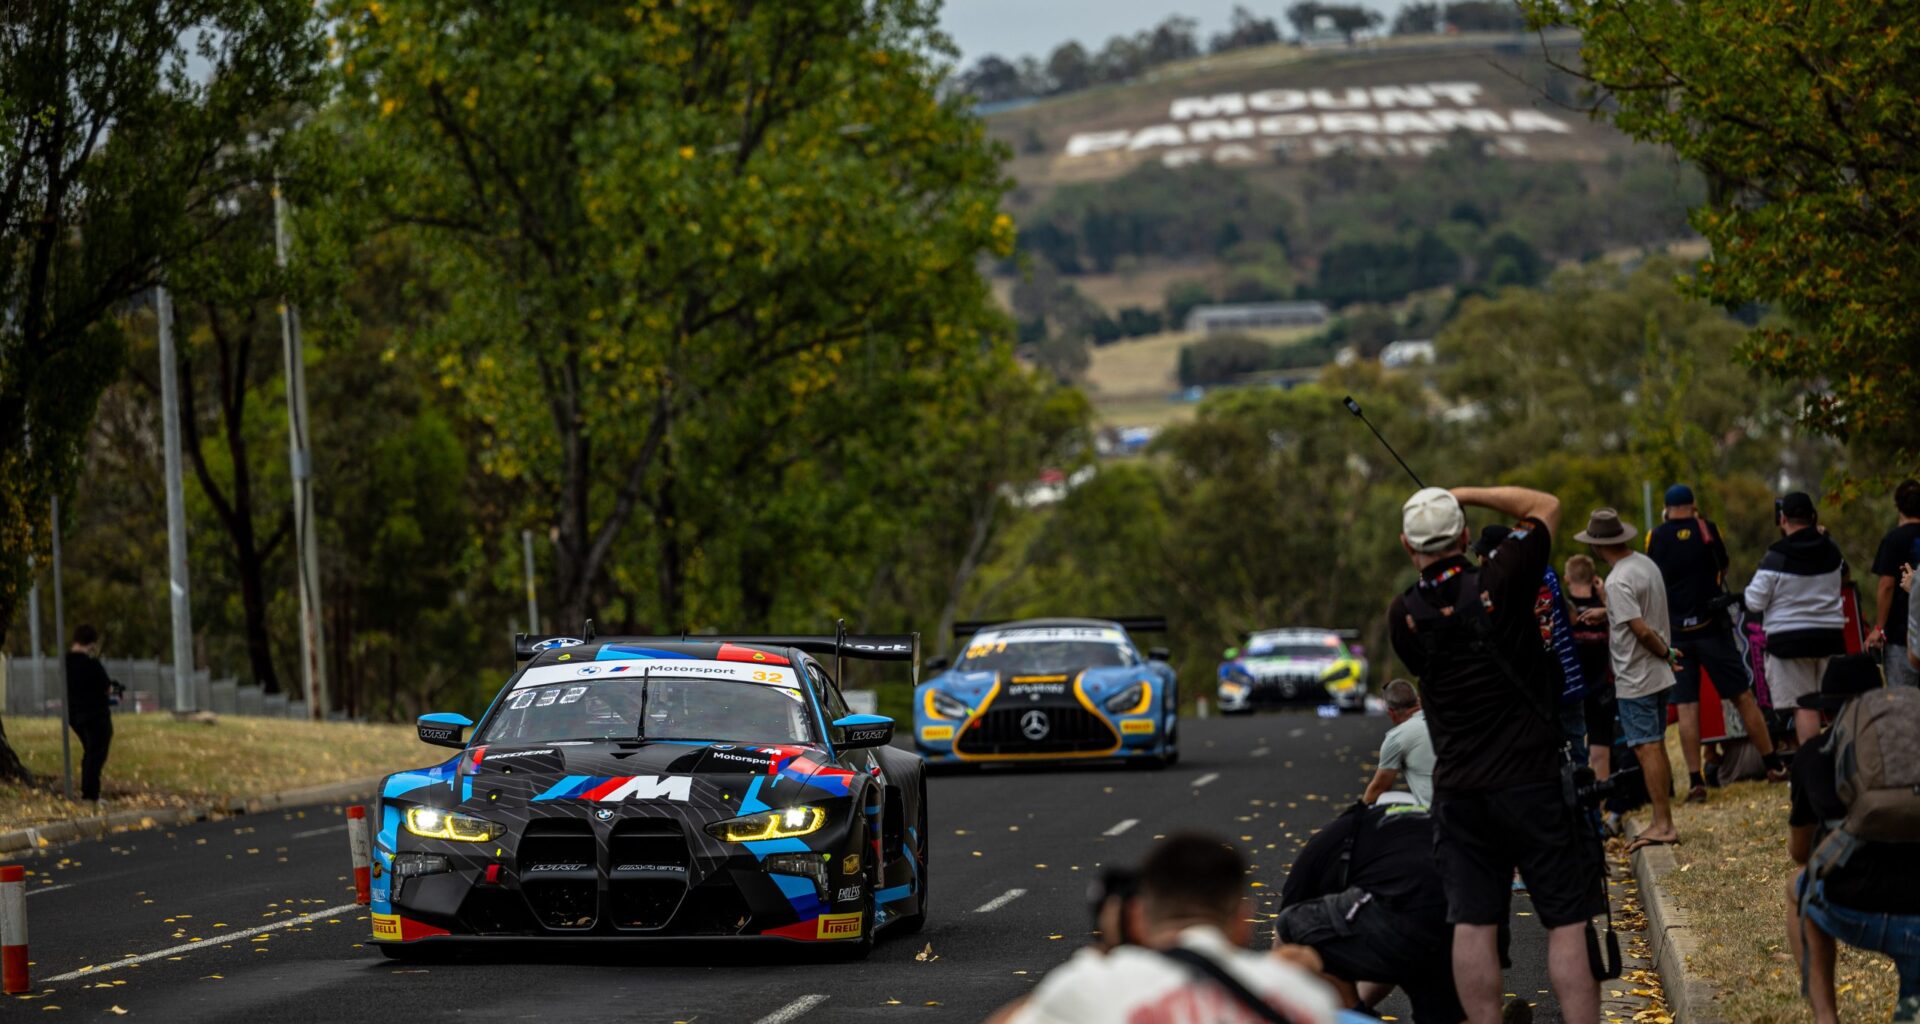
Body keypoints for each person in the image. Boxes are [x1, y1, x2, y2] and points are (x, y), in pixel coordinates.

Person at [1388, 485, 1603, 1024]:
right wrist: (1463, 492)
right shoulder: (1502, 580)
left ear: (1408, 547)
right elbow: (1547, 506)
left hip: (1460, 790)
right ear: (1464, 535)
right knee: (1564, 920)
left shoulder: (1405, 616)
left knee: (1473, 922)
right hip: (1531, 779)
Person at [997, 832, 1341, 1024]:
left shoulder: (1089, 986)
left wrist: (1109, 948)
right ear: (1242, 920)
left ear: (1136, 917)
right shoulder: (1301, 997)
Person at [1785, 657, 1920, 1024]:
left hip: (1854, 907)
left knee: (1799, 887)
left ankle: (1826, 1017)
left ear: (1826, 713)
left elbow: (1800, 852)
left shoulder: (1812, 755)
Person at [1645, 484, 1786, 801]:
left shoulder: (1655, 537)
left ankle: (1695, 782)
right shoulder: (1707, 529)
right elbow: (1723, 565)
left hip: (1677, 634)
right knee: (1742, 697)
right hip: (1712, 628)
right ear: (1693, 506)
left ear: (1667, 509)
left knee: (1687, 707)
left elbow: (1653, 577)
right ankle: (1773, 764)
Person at [1277, 801, 1464, 1023]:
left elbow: (1286, 938)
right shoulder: (1419, 829)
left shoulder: (1331, 838)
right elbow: (1390, 960)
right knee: (1441, 1009)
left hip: (1408, 909)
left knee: (1292, 925)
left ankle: (1353, 1017)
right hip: (1466, 916)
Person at [1578, 509, 1680, 854]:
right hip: (1657, 676)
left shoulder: (1617, 580)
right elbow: (1638, 611)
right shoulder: (1644, 564)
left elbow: (1640, 629)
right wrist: (1606, 612)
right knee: (1656, 744)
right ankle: (1662, 818)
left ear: (1597, 545)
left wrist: (1665, 652)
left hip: (1638, 676)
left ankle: (1663, 824)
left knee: (1646, 747)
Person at [1475, 525, 1588, 764]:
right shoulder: (1542, 571)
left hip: (1551, 684)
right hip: (1564, 678)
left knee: (1565, 755)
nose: (1480, 561)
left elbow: (1542, 635)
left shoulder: (1528, 579)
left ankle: (1579, 799)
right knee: (1573, 749)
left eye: (1483, 555)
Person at [1745, 492, 1849, 745]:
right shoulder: (1832, 552)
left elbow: (1754, 601)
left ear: (1783, 519)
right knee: (1836, 704)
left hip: (1789, 643)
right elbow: (1844, 578)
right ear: (1813, 517)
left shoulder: (1776, 557)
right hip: (1829, 638)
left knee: (1805, 705)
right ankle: (1841, 763)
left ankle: (1811, 773)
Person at [1563, 556, 1615, 780]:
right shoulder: (1603, 609)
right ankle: (1601, 797)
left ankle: (1580, 798)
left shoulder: (1564, 608)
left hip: (1572, 685)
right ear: (1594, 578)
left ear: (1567, 579)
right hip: (1601, 684)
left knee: (1573, 747)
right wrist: (1604, 597)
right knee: (1600, 747)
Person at [1867, 479, 1920, 688]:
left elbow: (1887, 585)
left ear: (1898, 506)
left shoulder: (1894, 539)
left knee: (1903, 703)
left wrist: (1879, 627)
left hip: (1901, 634)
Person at [64, 624, 119, 804]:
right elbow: (107, 688)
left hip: (75, 715)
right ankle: (90, 794)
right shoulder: (92, 664)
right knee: (96, 753)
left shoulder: (66, 663)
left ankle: (89, 791)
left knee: (89, 752)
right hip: (96, 714)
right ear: (91, 643)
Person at [1362, 679, 1434, 807]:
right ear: (1418, 700)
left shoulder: (1397, 737)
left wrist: (1354, 815)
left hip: (1438, 814)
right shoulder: (1444, 721)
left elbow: (1378, 788)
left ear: (1391, 713)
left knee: (1384, 798)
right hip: (1472, 807)